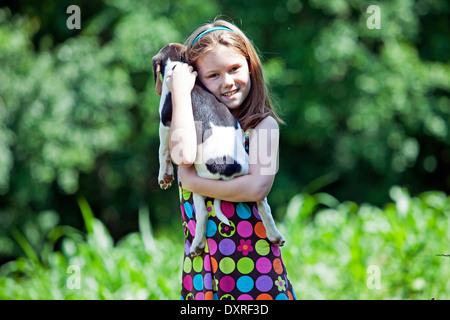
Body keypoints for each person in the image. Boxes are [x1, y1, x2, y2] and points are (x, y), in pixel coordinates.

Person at [165, 19, 296, 300]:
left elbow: (257, 187)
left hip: (254, 269)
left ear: (250, 67)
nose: (227, 82)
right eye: (213, 75)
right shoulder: (193, 126)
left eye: (235, 69)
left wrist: (193, 182)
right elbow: (183, 155)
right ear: (196, 80)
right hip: (203, 269)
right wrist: (179, 93)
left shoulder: (263, 125)